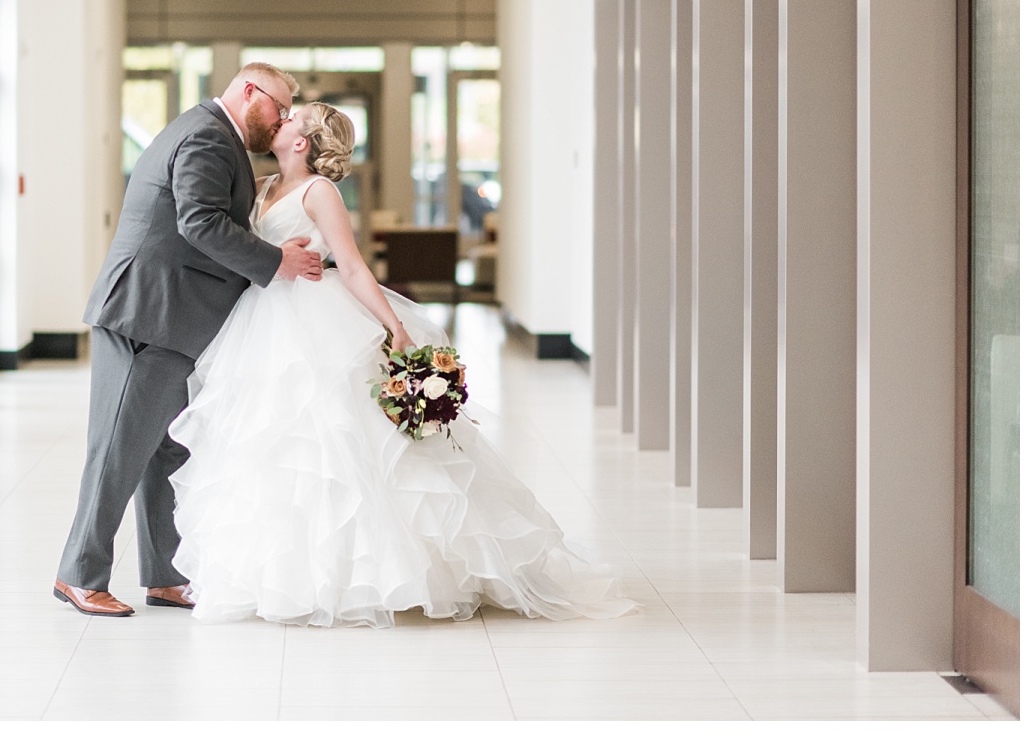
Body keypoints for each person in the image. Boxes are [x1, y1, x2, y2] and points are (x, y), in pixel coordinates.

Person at [168, 102, 639, 628]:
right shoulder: (261, 185)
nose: (279, 120)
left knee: (334, 438)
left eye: (290, 117)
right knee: (268, 440)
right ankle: (275, 574)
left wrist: (392, 324)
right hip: (262, 317)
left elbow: (349, 265)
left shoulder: (318, 193)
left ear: (302, 141)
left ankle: (360, 575)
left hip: (311, 315)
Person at [54, 63, 322, 617]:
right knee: (118, 449)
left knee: (166, 450)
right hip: (147, 316)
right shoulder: (207, 136)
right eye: (280, 106)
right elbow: (197, 221)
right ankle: (79, 575)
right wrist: (276, 260)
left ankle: (166, 576)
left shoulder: (213, 133)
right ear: (250, 92)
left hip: (171, 319)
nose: (281, 121)